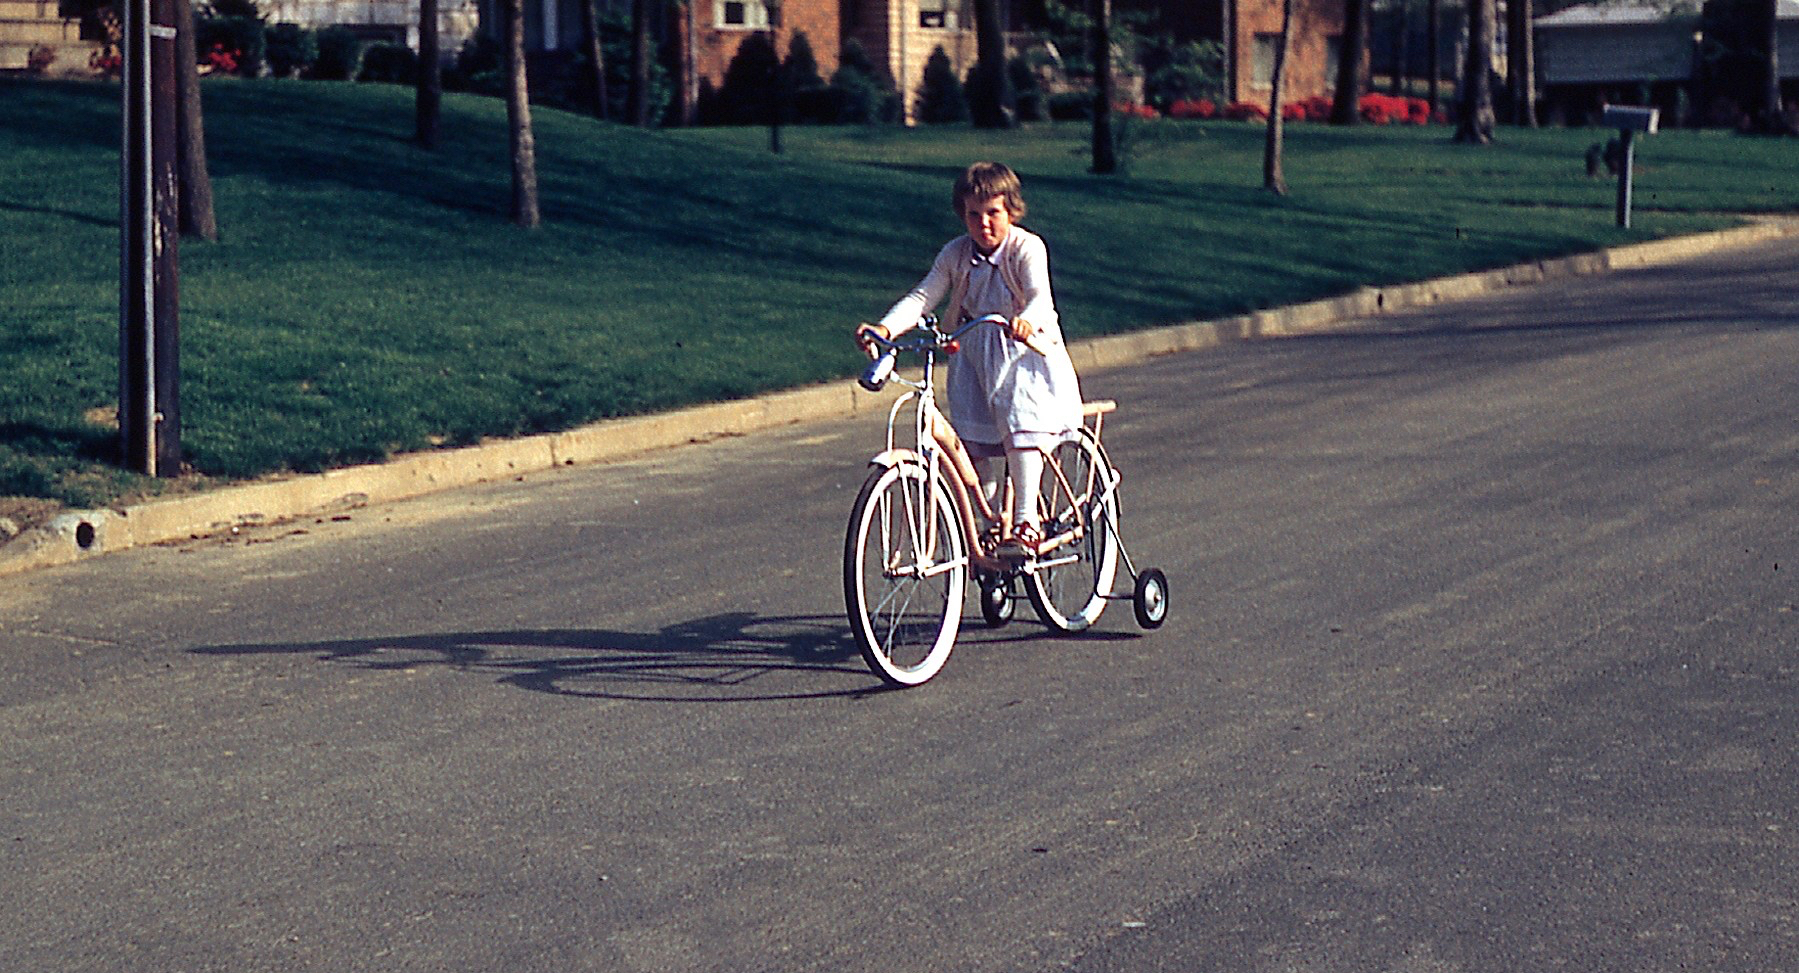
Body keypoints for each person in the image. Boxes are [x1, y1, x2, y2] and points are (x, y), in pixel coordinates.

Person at [855, 161, 1084, 558]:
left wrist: (1026, 321)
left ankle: (1026, 521)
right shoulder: (956, 253)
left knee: (1021, 424)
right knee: (971, 440)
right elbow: (924, 295)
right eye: (973, 215)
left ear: (1011, 210)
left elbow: (1040, 298)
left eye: (993, 213)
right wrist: (886, 328)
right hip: (972, 353)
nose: (984, 224)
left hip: (1023, 354)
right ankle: (992, 522)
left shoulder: (1026, 248)